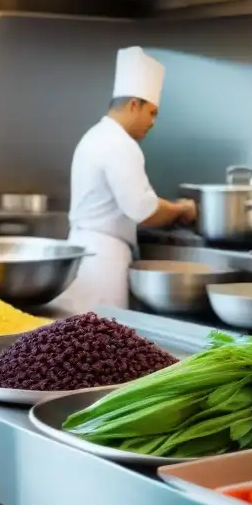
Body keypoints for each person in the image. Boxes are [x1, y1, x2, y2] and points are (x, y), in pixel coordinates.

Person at [56, 46, 196, 312]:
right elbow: (144, 211)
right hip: (103, 263)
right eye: (152, 112)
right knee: (101, 342)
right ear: (134, 105)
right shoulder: (120, 144)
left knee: (79, 341)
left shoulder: (96, 135)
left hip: (85, 252)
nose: (153, 122)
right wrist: (182, 209)